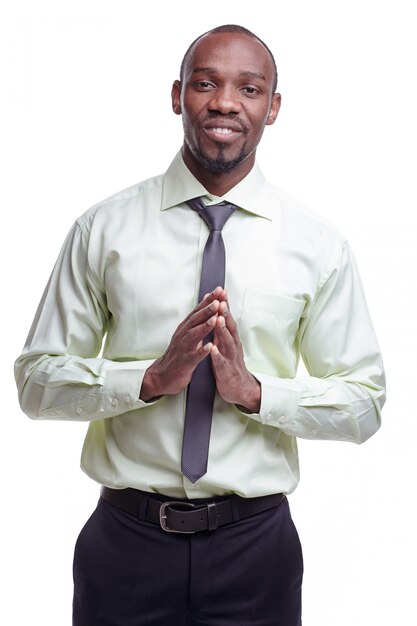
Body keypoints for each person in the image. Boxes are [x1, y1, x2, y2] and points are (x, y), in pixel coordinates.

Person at [14, 24, 385, 626]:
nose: (225, 102)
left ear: (273, 107)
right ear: (176, 94)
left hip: (255, 551)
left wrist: (256, 393)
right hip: (125, 545)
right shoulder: (102, 230)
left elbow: (365, 403)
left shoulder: (317, 246)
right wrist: (150, 379)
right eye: (205, 83)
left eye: (250, 88)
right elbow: (36, 383)